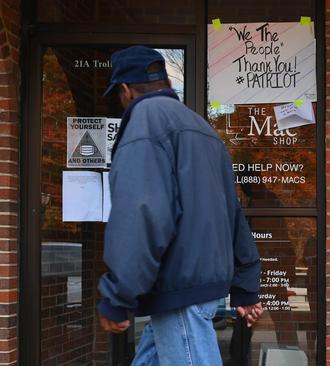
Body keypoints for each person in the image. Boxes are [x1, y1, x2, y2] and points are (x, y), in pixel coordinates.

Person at [96, 45, 264, 365]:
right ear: (166, 85)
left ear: (126, 90)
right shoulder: (202, 129)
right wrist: (245, 284)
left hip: (180, 289)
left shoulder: (146, 121)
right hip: (198, 287)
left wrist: (118, 295)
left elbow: (141, 212)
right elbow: (232, 213)